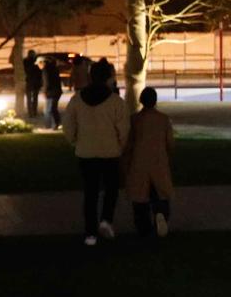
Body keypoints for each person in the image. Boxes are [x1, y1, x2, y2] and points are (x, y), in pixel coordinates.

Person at [63, 59, 129, 246]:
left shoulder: (77, 100)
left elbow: (68, 126)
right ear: (108, 78)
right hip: (110, 153)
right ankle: (106, 220)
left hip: (86, 153)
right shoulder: (116, 102)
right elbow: (124, 130)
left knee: (90, 193)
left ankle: (90, 233)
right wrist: (120, 146)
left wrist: (75, 141)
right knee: (111, 190)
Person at [123, 86, 176, 238]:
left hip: (139, 162)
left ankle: (143, 227)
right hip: (158, 161)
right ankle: (161, 214)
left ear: (141, 101)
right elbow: (170, 143)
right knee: (160, 193)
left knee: (140, 197)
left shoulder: (134, 120)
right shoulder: (163, 119)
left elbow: (129, 144)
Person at [24, 53, 43, 120]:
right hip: (35, 83)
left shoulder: (25, 61)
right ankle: (34, 112)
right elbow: (40, 72)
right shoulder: (37, 62)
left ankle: (31, 112)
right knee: (35, 98)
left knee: (29, 98)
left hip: (29, 82)